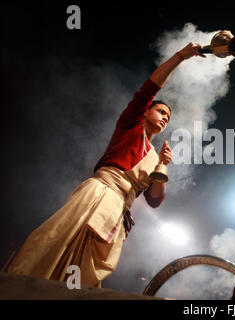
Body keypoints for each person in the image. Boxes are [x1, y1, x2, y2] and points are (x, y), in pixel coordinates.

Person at [8, 42, 206, 288]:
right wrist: (180, 56)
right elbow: (148, 89)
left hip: (118, 212)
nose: (165, 117)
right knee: (56, 241)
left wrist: (163, 166)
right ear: (145, 112)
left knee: (85, 273)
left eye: (168, 117)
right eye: (161, 111)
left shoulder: (155, 157)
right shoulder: (130, 126)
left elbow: (154, 200)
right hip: (98, 193)